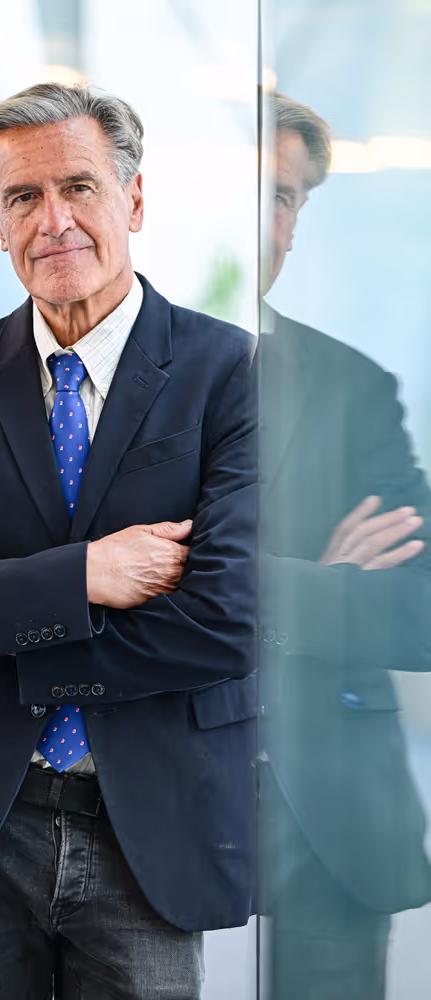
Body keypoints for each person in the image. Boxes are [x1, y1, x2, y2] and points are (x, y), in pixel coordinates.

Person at [0, 83, 257, 1000]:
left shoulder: (225, 372)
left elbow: (223, 624)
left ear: (134, 201)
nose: (53, 220)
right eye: (22, 197)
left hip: (147, 818)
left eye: (79, 186)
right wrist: (89, 575)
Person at [259, 93, 431, 999]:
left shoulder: (354, 388)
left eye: (285, 199)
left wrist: (234, 588)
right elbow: (102, 582)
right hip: (142, 800)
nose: (266, 221)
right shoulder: (106, 375)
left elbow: (417, 613)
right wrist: (325, 584)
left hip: (323, 812)